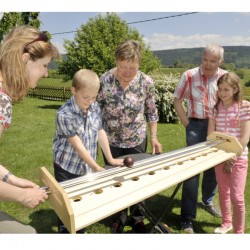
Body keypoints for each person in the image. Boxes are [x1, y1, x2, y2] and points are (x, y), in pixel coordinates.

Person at [97, 39, 162, 233]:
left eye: (132, 68)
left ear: (139, 64)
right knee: (115, 180)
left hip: (136, 139)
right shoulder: (104, 80)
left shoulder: (146, 82)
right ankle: (118, 217)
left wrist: (154, 137)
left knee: (137, 179)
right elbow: (96, 110)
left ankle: (137, 218)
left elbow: (151, 111)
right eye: (122, 66)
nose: (126, 72)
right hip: (111, 141)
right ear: (116, 61)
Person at [0, 25, 59, 233]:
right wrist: (23, 196)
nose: (46, 74)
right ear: (25, 60)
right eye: (44, 65)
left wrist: (12, 180)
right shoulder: (1, 102)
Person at [53, 68, 124, 233]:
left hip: (86, 165)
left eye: (94, 97)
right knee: (67, 206)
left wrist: (111, 159)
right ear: (73, 90)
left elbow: (100, 131)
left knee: (83, 201)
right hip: (66, 167)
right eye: (86, 97)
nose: (90, 101)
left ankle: (80, 230)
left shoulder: (94, 107)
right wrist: (96, 167)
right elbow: (78, 146)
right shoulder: (64, 114)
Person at [173, 44, 227, 233]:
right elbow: (177, 99)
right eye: (205, 59)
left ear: (220, 61)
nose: (208, 64)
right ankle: (187, 217)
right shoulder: (189, 75)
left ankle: (207, 202)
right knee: (192, 172)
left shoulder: (225, 77)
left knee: (214, 169)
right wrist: (188, 124)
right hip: (195, 125)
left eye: (213, 61)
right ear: (201, 57)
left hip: (218, 128)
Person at [208, 72, 250, 234]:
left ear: (235, 89)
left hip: (239, 158)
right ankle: (227, 223)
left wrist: (234, 155)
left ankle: (239, 233)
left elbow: (245, 137)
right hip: (220, 157)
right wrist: (223, 155)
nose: (222, 93)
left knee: (237, 197)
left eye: (226, 89)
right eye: (220, 89)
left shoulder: (244, 108)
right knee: (223, 192)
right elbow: (211, 136)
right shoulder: (215, 109)